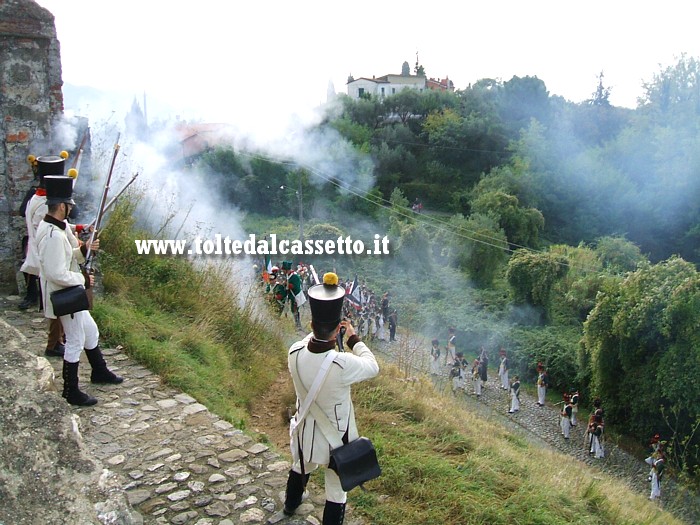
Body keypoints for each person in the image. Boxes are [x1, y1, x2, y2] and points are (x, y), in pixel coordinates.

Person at [283, 272, 379, 525]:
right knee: (336, 492)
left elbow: (308, 343)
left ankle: (290, 506)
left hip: (305, 433)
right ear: (338, 328)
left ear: (311, 324)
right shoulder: (342, 363)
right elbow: (372, 366)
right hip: (337, 440)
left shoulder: (293, 352)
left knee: (300, 467)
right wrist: (352, 338)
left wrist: (327, 329)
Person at [37, 176, 123, 406]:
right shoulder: (53, 235)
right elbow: (56, 273)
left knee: (91, 331)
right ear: (62, 206)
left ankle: (99, 371)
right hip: (65, 293)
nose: (70, 209)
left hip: (70, 290)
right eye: (69, 205)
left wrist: (84, 248)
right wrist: (83, 279)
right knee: (75, 340)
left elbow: (71, 255)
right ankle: (71, 390)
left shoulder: (58, 227)